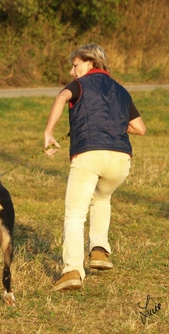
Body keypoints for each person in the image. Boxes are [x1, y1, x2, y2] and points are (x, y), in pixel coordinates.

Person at [43, 43, 146, 291]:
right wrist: (110, 125)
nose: (72, 71)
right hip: (121, 160)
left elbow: (61, 97)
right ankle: (99, 251)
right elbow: (140, 128)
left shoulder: (79, 84)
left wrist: (48, 133)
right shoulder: (121, 90)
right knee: (101, 199)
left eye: (75, 65)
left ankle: (72, 271)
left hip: (89, 154)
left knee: (75, 214)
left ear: (89, 62)